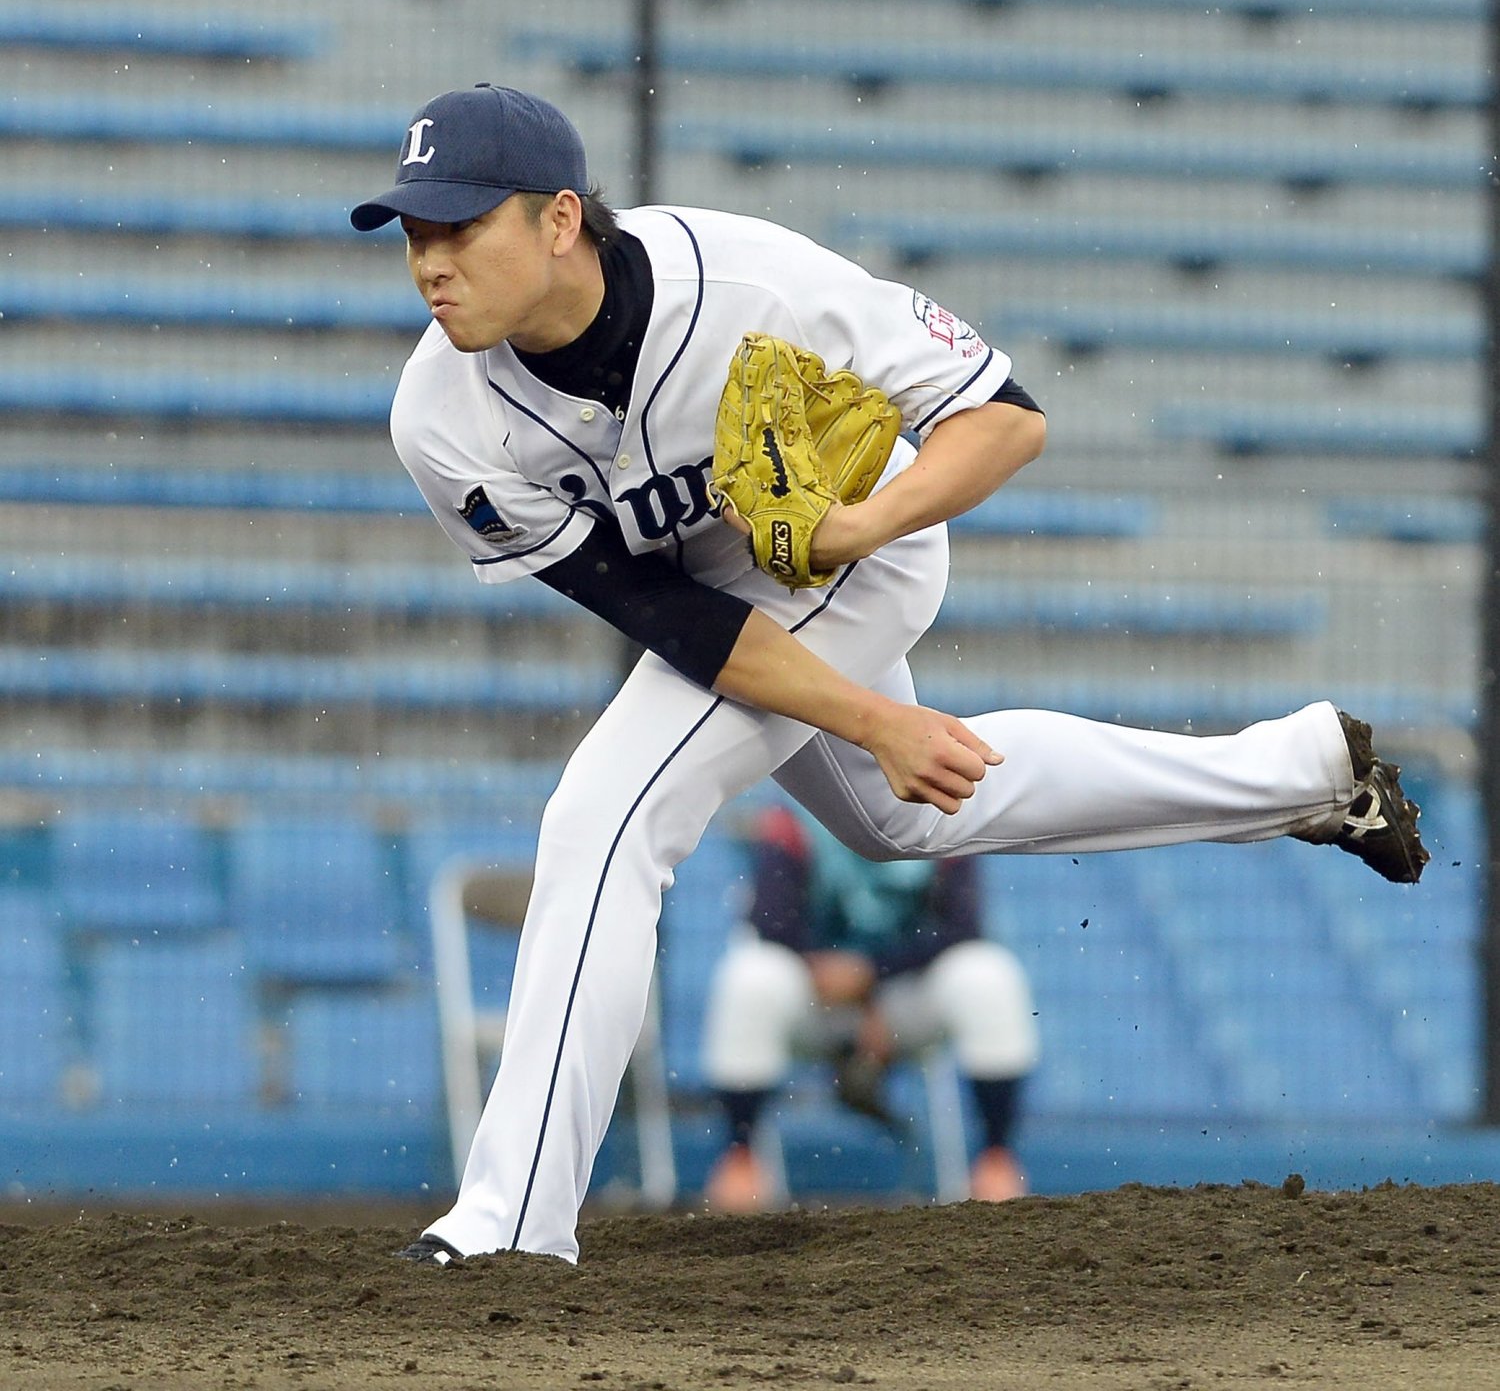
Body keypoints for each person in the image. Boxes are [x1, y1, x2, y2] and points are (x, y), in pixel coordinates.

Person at [348, 83, 1427, 1266]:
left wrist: (862, 527)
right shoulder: (443, 422)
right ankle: (1302, 773)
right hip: (723, 607)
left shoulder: (747, 285)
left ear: (560, 220)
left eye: (459, 228)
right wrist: (871, 721)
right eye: (413, 233)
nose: (429, 263)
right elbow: (663, 614)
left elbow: (1005, 419)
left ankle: (510, 1224)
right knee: (889, 818)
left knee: (606, 816)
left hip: (857, 561)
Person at [701, 803, 1038, 1211]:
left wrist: (870, 976)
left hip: (906, 1002)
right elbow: (770, 924)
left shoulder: (944, 822)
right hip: (816, 997)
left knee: (988, 975)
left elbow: (962, 929)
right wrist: (841, 978)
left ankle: (997, 1158)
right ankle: (741, 1156)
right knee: (751, 976)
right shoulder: (793, 824)